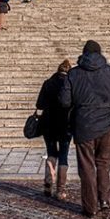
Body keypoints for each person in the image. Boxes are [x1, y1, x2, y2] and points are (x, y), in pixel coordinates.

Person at [59, 40, 110, 218]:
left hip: (84, 124)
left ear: (84, 54)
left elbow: (64, 101)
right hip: (106, 123)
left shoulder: (74, 73)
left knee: (87, 167)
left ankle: (90, 207)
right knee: (104, 163)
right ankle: (104, 201)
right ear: (100, 54)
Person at [36, 59, 72, 200]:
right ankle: (61, 190)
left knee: (51, 153)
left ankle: (48, 184)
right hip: (65, 125)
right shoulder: (69, 84)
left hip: (48, 124)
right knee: (63, 155)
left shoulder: (48, 83)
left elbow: (39, 104)